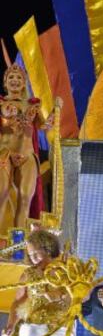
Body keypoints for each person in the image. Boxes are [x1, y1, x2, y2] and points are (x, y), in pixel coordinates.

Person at [0, 61, 62, 229]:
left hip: (27, 156)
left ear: (24, 82)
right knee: (2, 196)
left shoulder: (33, 105)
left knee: (25, 199)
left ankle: (18, 244)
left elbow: (44, 126)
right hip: (5, 156)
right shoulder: (1, 104)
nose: (15, 80)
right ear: (5, 83)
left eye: (18, 77)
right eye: (11, 77)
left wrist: (55, 113)